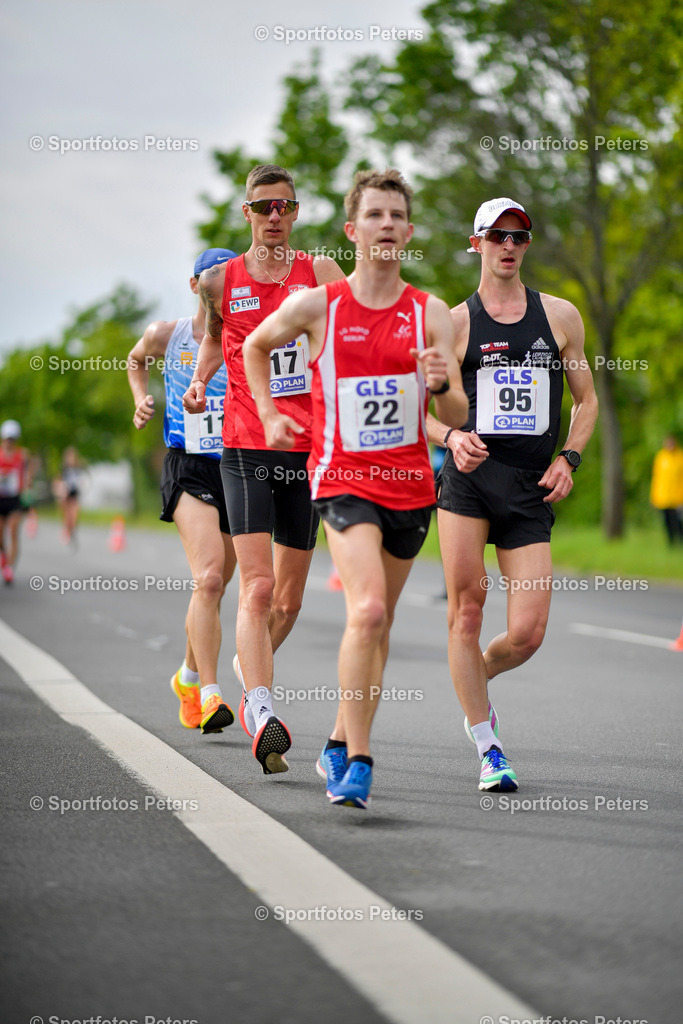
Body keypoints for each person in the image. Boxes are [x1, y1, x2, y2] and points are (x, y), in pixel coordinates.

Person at [243, 168, 468, 807]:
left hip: (410, 485)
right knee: (365, 608)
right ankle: (361, 760)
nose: (388, 225)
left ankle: (341, 738)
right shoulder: (320, 304)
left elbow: (453, 418)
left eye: (397, 215)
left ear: (409, 231)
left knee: (381, 619)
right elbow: (257, 348)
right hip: (341, 478)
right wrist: (267, 412)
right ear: (353, 229)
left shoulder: (429, 313)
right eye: (375, 215)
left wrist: (443, 381)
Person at [428, 197, 598, 792]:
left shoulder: (560, 317)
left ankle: (473, 682)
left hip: (530, 489)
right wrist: (449, 435)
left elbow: (587, 399)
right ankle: (488, 745)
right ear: (475, 243)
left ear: (527, 245)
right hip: (470, 484)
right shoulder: (452, 323)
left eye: (518, 237)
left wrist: (569, 458)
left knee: (527, 633)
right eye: (496, 236)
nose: (508, 246)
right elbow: (414, 410)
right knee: (467, 612)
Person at [183, 164, 345, 776]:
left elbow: (353, 329)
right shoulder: (220, 280)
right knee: (255, 587)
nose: (274, 215)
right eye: (263, 206)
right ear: (247, 213)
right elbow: (214, 337)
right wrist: (201, 382)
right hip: (246, 446)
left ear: (296, 213)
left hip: (307, 453)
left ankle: (248, 671)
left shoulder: (320, 273)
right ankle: (260, 706)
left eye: (285, 205)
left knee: (291, 600)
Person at [127, 248, 238, 735]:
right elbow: (135, 360)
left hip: (238, 466)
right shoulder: (166, 334)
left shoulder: (249, 337)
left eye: (230, 276)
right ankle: (210, 695)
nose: (221, 284)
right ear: (195, 286)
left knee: (217, 585)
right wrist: (141, 398)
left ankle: (188, 676)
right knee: (209, 578)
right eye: (212, 276)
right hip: (188, 465)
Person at [0, 420, 32, 584]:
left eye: (12, 438)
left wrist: (28, 491)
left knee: (13, 531)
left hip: (15, 499)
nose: (9, 442)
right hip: (0, 499)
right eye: (7, 438)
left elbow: (27, 475)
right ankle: (4, 557)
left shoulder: (22, 455)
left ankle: (10, 568)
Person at [650, 435, 683, 545]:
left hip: (678, 497)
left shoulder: (680, 457)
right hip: (663, 496)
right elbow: (656, 478)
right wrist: (654, 496)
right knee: (667, 521)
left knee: (678, 521)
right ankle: (671, 543)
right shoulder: (661, 458)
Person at [56, 446, 85, 546]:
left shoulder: (79, 468)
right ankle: (67, 530)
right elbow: (58, 481)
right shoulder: (64, 469)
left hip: (75, 494)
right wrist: (60, 491)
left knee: (75, 516)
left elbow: (84, 479)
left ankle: (72, 531)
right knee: (67, 516)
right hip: (66, 495)